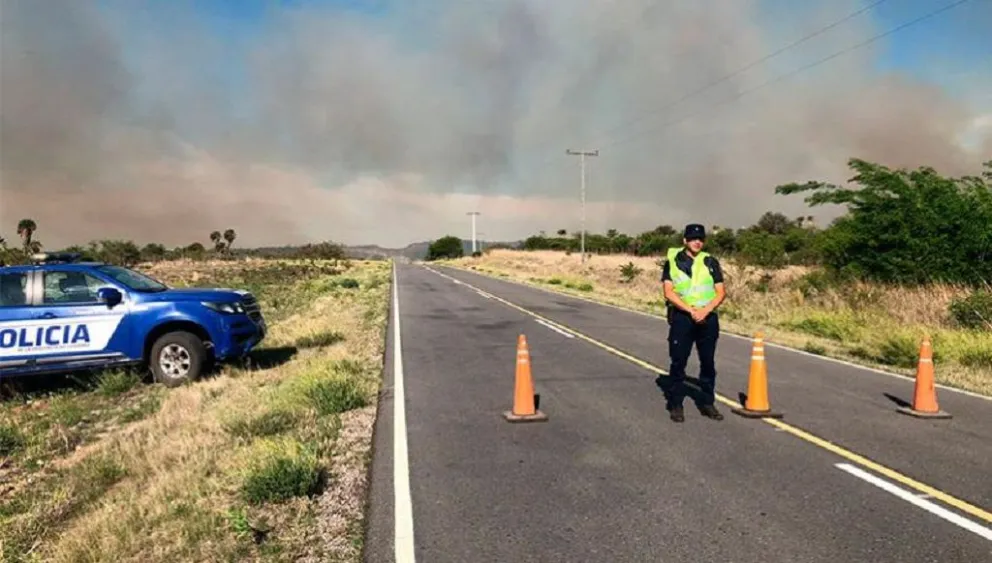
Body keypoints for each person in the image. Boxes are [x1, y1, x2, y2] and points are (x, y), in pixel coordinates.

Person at [660, 223, 726, 423]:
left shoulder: (710, 262)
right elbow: (668, 292)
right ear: (685, 241)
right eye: (692, 238)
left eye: (700, 239)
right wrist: (690, 310)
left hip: (707, 318)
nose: (697, 242)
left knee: (708, 362)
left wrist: (705, 310)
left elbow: (721, 292)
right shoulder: (673, 261)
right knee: (679, 361)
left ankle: (707, 403)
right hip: (683, 317)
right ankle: (676, 404)